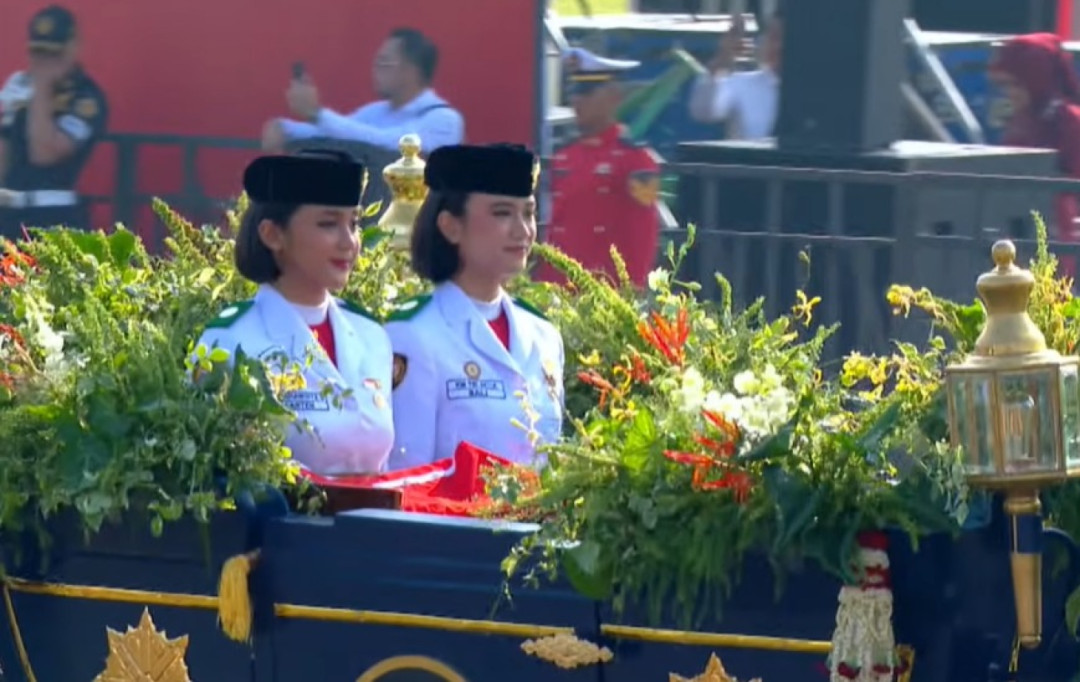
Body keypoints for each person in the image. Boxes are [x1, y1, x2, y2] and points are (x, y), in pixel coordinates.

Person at [196, 151, 394, 475]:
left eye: (354, 224)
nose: (349, 242)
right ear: (273, 234)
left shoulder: (371, 336)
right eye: (328, 224)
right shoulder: (231, 341)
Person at [385, 144, 564, 470]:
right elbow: (406, 475)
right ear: (451, 226)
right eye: (502, 213)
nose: (523, 230)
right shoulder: (413, 334)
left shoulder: (543, 335)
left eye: (528, 213)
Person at [534, 47, 662, 287]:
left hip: (603, 290)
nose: (577, 100)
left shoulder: (635, 160)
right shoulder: (566, 156)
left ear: (614, 97)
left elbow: (644, 232)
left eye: (587, 92)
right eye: (574, 92)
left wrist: (632, 290)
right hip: (558, 287)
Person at [262, 27, 464, 156]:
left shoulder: (444, 120)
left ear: (412, 71)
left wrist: (317, 114)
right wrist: (285, 128)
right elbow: (332, 134)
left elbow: (386, 144)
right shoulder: (375, 111)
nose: (375, 70)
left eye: (384, 62)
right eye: (376, 62)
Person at [0, 5, 108, 239]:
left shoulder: (85, 97)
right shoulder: (19, 87)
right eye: (39, 54)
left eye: (53, 55)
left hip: (52, 217)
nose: (44, 62)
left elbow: (45, 154)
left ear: (73, 47)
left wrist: (42, 87)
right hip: (8, 214)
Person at [989, 33, 1080, 273]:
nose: (1010, 93)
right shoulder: (1021, 121)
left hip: (1055, 238)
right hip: (1017, 231)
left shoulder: (1070, 122)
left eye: (1017, 85)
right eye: (1006, 86)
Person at [688, 10, 782, 140]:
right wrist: (721, 61)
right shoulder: (741, 84)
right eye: (773, 37)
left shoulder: (811, 92)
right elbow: (703, 112)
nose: (777, 46)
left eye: (784, 39)